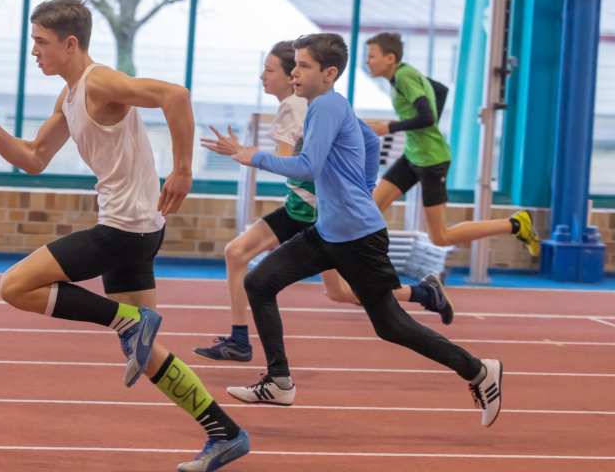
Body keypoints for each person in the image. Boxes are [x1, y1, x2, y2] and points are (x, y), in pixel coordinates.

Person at [0, 0, 249, 472]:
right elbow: (33, 158)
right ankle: (224, 433)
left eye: (41, 42)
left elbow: (176, 95)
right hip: (139, 231)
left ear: (70, 44)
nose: (34, 52)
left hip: (122, 229)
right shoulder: (70, 94)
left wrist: (182, 169)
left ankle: (128, 321)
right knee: (146, 351)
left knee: (14, 286)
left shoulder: (98, 81)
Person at [225, 33, 503, 428]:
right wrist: (365, 185)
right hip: (329, 231)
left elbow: (307, 167)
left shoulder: (325, 105)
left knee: (390, 325)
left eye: (303, 65)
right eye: (295, 65)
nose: (294, 72)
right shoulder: (331, 105)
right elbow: (370, 140)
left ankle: (478, 370)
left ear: (329, 72)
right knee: (259, 282)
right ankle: (279, 380)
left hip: (357, 237)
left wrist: (256, 157)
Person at [194, 42, 453, 364]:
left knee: (339, 293)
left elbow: (297, 163)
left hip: (314, 212)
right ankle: (241, 340)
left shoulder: (299, 107)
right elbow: (368, 141)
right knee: (249, 258)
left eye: (273, 69)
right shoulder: (315, 103)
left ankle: (249, 348)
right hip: (302, 207)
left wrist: (248, 154)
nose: (265, 76)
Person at [363, 32, 540, 255]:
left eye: (371, 56)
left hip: (432, 161)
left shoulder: (404, 77)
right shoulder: (402, 75)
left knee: (440, 237)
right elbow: (440, 91)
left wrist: (387, 127)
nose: (367, 61)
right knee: (369, 210)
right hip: (413, 155)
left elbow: (427, 118)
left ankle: (515, 224)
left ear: (389, 58)